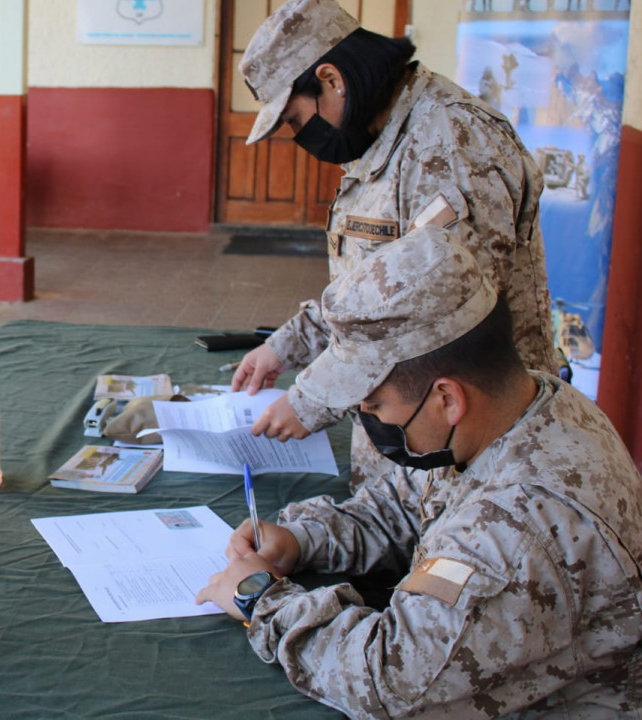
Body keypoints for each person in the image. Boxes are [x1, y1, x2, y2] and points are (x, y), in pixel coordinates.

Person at [197, 226, 642, 716]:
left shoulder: (519, 528)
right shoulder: (516, 408)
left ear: (447, 399)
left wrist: (258, 597)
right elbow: (406, 507)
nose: (367, 418)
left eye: (374, 403)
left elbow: (387, 682)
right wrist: (304, 539)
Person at [231, 0, 558, 492]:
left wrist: (311, 399)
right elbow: (374, 289)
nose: (300, 138)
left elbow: (443, 312)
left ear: (331, 80)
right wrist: (286, 347)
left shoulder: (452, 142)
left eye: (295, 120)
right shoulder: (379, 142)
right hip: (411, 433)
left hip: (475, 447)